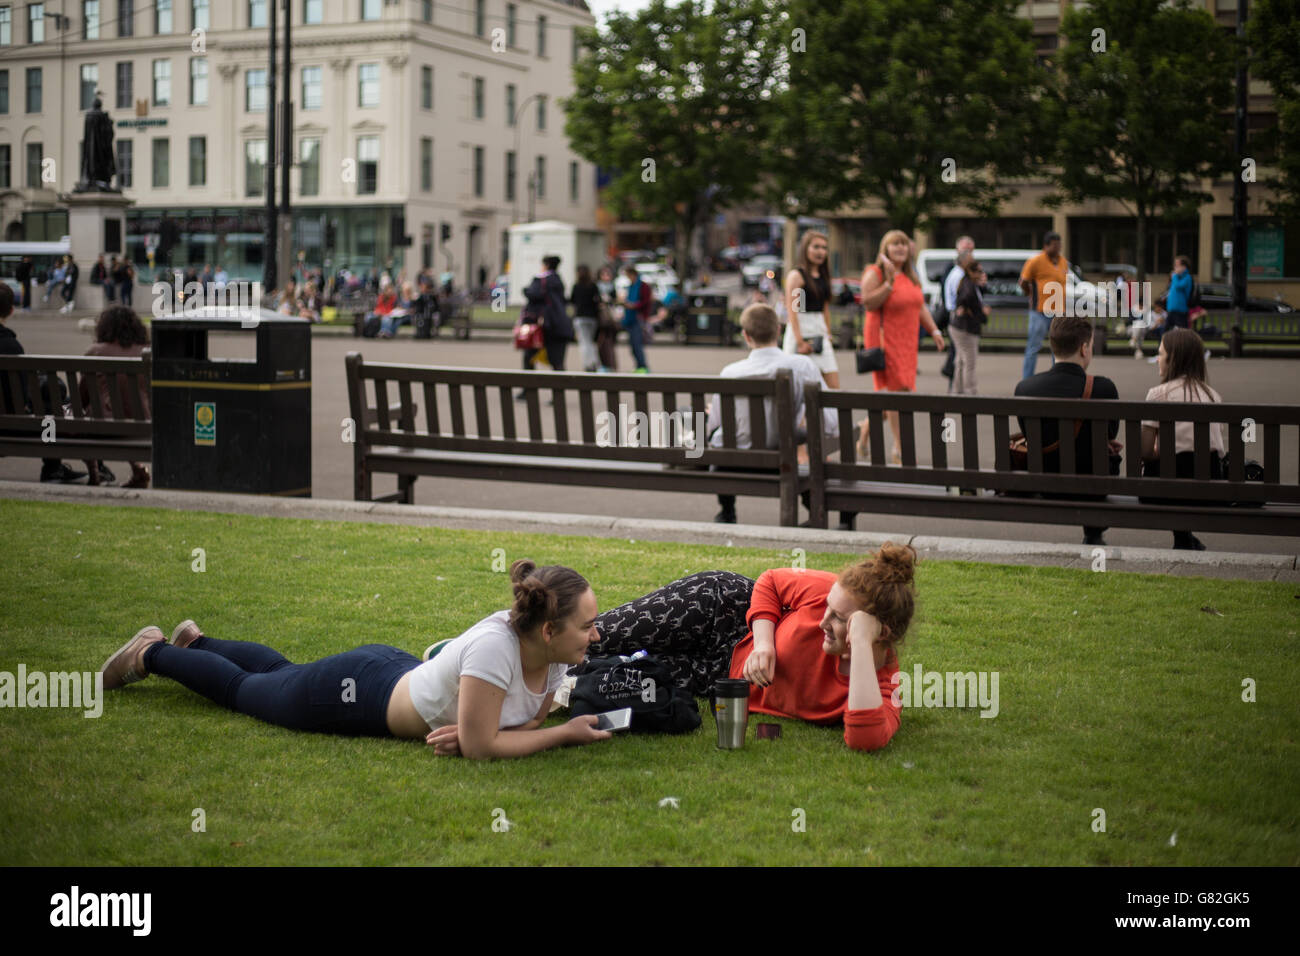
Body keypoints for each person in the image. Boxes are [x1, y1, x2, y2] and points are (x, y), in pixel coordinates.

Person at [97, 559, 613, 760]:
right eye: (587, 624)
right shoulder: (498, 648)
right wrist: (559, 735)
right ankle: (152, 653)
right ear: (549, 628)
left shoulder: (556, 652)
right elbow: (484, 749)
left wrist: (485, 732)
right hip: (360, 693)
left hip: (395, 672)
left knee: (280, 673)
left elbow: (524, 722)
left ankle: (197, 644)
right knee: (243, 692)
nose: (596, 633)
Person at [589, 543, 917, 752]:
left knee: (605, 671)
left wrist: (861, 644)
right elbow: (770, 581)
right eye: (827, 608)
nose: (822, 622)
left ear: (879, 632)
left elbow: (864, 739)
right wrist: (764, 643)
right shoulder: (828, 589)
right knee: (594, 637)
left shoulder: (884, 685)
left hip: (715, 679)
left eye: (839, 619)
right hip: (720, 610)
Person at [708, 303, 836, 525]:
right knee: (800, 448)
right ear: (778, 330)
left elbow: (715, 423)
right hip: (782, 457)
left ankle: (727, 511)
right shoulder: (801, 366)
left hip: (734, 460)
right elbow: (830, 420)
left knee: (720, 438)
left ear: (746, 336)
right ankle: (815, 515)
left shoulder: (730, 372)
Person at [1014, 315, 1122, 546]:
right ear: (1084, 348)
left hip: (1044, 482)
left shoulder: (1025, 388)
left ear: (1053, 346)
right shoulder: (1104, 389)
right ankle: (1093, 533)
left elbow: (1030, 435)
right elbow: (1111, 434)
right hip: (1093, 486)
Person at [858, 230, 945, 463]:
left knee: (902, 391)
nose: (900, 248)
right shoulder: (875, 273)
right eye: (894, 244)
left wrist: (935, 331)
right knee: (897, 393)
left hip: (907, 342)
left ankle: (865, 429)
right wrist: (888, 283)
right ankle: (899, 447)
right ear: (885, 249)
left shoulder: (911, 275)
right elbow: (868, 302)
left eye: (903, 244)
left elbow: (920, 306)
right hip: (885, 341)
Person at [1139, 328, 1226, 552]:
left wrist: (1160, 449)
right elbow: (1218, 449)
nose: (1158, 359)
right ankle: (1184, 538)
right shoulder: (1213, 397)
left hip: (1162, 492)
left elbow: (1145, 452)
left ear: (1173, 359)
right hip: (1208, 491)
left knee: (1165, 464)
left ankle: (1183, 538)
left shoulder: (1157, 395)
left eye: (1161, 354)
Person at [0, 284, 87, 483]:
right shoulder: (12, 347)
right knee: (51, 406)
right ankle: (52, 467)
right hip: (10, 425)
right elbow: (20, 396)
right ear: (11, 310)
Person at [78, 305, 152, 488]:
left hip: (101, 426)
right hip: (143, 423)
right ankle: (137, 469)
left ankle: (95, 473)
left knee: (83, 414)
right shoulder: (148, 352)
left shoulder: (95, 352)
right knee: (126, 409)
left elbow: (82, 397)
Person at [783, 231, 840, 389]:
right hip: (801, 330)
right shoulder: (798, 276)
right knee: (796, 386)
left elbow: (825, 308)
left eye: (824, 248)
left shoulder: (823, 276)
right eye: (816, 247)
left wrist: (828, 334)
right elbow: (794, 310)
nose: (821, 252)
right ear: (805, 249)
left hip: (820, 332)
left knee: (833, 386)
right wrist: (800, 341)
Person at [1018, 232, 1070, 380]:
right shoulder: (1035, 261)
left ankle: (1057, 379)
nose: (1058, 248)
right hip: (1039, 312)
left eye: (1059, 245)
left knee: (1058, 349)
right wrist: (1030, 294)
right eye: (1054, 245)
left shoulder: (1063, 262)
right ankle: (1027, 379)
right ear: (1046, 246)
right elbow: (1023, 281)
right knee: (1033, 347)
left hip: (1058, 312)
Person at [523, 255, 573, 372]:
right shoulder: (558, 280)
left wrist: (525, 290)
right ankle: (560, 384)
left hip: (543, 325)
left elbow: (532, 295)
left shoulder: (540, 280)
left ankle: (528, 383)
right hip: (560, 325)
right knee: (557, 362)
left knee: (529, 358)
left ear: (546, 265)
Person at [937, 237, 975, 384]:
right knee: (961, 352)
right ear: (957, 250)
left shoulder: (966, 269)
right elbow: (954, 293)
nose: (968, 253)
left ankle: (953, 379)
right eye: (965, 250)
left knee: (958, 351)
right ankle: (953, 377)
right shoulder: (955, 270)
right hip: (955, 314)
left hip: (957, 314)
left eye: (970, 250)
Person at [949, 258, 990, 395]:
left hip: (959, 327)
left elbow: (971, 296)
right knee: (969, 362)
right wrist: (978, 312)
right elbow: (965, 299)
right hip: (966, 329)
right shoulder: (969, 285)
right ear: (971, 272)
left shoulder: (969, 283)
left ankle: (958, 390)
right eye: (979, 271)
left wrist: (983, 285)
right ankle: (970, 391)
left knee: (960, 360)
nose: (982, 273)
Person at [618, 264, 653, 373]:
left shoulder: (643, 286)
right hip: (630, 318)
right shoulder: (631, 286)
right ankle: (638, 366)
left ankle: (643, 366)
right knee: (633, 345)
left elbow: (646, 302)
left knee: (637, 344)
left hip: (638, 318)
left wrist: (634, 306)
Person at [569, 265, 602, 372]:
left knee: (584, 342)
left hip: (580, 317)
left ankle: (588, 363)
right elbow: (598, 301)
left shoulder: (576, 286)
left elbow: (572, 300)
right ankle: (594, 362)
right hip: (592, 317)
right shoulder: (593, 286)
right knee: (590, 341)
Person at [1162, 255, 1194, 332]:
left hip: (1180, 310)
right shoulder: (1176, 278)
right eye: (1175, 265)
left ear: (1184, 267)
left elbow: (1178, 286)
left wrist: (1175, 276)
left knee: (1183, 331)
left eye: (1177, 265)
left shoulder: (1187, 277)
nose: (1175, 268)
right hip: (1171, 309)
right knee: (1165, 331)